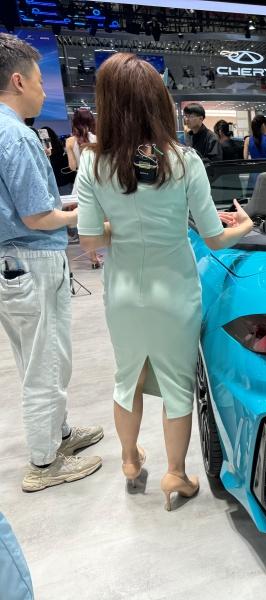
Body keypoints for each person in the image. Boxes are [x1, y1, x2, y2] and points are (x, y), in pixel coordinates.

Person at [76, 53, 253, 509]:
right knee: (177, 384)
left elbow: (90, 239)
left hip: (122, 293)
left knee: (127, 379)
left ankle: (129, 460)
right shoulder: (184, 160)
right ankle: (176, 473)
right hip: (175, 291)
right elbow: (214, 238)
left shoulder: (93, 164)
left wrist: (124, 228)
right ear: (159, 102)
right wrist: (246, 225)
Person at [0, 32, 103, 493]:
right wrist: (89, 212)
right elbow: (36, 217)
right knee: (45, 362)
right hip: (31, 258)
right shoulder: (17, 136)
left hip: (16, 260)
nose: (45, 91)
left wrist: (67, 205)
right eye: (41, 81)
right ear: (19, 81)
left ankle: (58, 435)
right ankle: (44, 462)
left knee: (41, 357)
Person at [66, 108, 101, 268]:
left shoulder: (70, 141)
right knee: (104, 217)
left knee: (84, 219)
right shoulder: (97, 139)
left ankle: (93, 258)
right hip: (98, 179)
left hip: (81, 181)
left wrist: (70, 150)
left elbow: (72, 167)